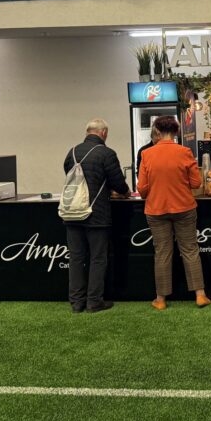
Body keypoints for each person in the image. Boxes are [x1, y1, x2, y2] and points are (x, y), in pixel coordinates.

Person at [137, 114, 210, 310]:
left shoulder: (146, 154)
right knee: (190, 250)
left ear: (157, 131)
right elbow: (196, 183)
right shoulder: (185, 152)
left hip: (156, 209)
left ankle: (160, 299)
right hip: (184, 207)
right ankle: (200, 295)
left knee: (162, 252)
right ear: (176, 132)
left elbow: (141, 189)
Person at [62, 118, 131, 314]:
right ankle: (94, 302)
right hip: (96, 214)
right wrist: (125, 192)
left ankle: (76, 303)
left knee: (76, 258)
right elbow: (118, 183)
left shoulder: (72, 152)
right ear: (103, 133)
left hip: (72, 212)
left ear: (87, 132)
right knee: (97, 259)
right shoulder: (106, 153)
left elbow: (69, 175)